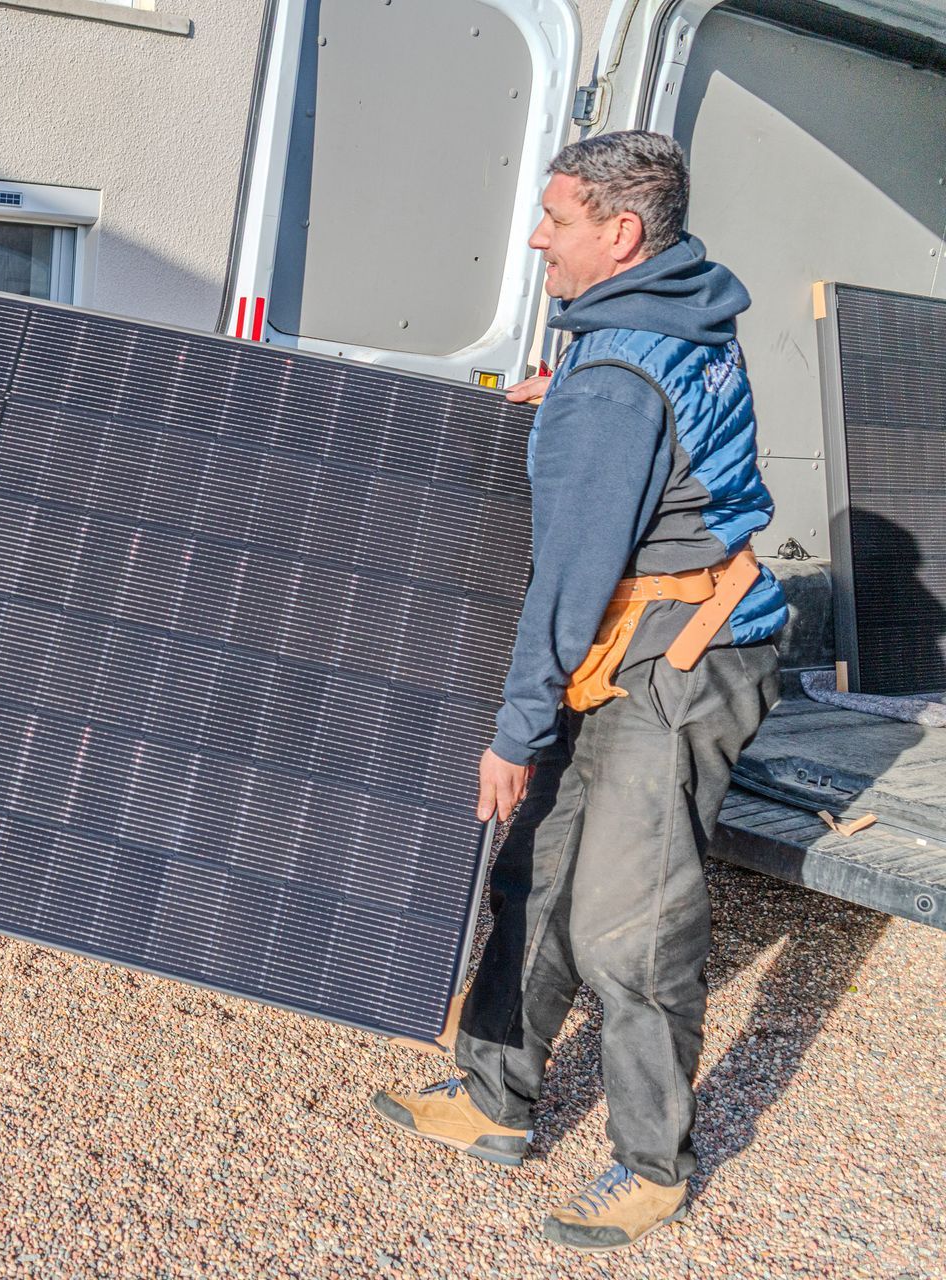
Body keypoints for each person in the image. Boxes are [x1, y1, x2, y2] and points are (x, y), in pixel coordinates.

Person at [370, 132, 786, 1252]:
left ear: (620, 234)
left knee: (629, 922)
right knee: (535, 864)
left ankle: (655, 1161)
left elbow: (563, 585)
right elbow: (651, 446)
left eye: (556, 218)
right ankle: (496, 1095)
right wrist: (574, 407)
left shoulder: (614, 379)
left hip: (684, 654)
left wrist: (514, 734)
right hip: (642, 622)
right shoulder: (674, 303)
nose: (536, 233)